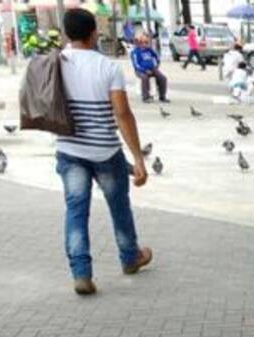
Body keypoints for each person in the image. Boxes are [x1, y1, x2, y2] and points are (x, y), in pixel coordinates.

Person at [54, 9, 152, 297]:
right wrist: (138, 157)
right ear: (94, 32)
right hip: (105, 151)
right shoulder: (107, 67)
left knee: (76, 210)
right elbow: (122, 113)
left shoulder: (56, 63)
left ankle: (81, 274)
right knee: (119, 206)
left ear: (66, 33)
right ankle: (130, 257)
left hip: (69, 149)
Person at [130, 32, 168, 103]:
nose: (144, 44)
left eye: (146, 42)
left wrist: (156, 65)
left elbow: (156, 57)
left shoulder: (149, 50)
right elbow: (136, 65)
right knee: (145, 78)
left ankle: (162, 96)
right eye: (142, 42)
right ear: (138, 43)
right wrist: (144, 70)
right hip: (140, 70)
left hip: (152, 68)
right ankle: (145, 97)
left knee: (163, 78)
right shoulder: (135, 52)